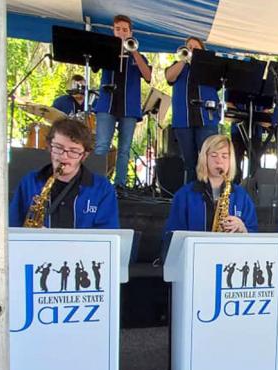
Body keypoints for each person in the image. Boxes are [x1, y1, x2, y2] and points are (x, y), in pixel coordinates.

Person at [9, 118, 119, 228]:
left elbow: (107, 235)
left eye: (73, 151)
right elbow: (12, 227)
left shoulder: (102, 188)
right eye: (58, 147)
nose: (64, 156)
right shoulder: (29, 182)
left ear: (84, 155)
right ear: (49, 147)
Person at [93, 14, 152, 187]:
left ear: (131, 32)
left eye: (125, 30)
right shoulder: (105, 50)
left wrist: (133, 51)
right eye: (118, 29)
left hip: (129, 106)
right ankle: (99, 184)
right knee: (102, 145)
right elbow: (94, 67)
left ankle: (120, 185)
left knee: (124, 150)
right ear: (113, 31)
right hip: (107, 104)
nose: (121, 33)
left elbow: (148, 76)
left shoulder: (138, 55)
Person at [164, 135, 258, 235]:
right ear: (205, 158)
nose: (219, 160)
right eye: (214, 155)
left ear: (231, 161)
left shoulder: (241, 196)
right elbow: (171, 235)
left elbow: (254, 233)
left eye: (225, 156)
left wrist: (243, 229)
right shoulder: (184, 195)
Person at [165, 36, 220, 184]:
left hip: (206, 119)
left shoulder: (210, 67)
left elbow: (219, 82)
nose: (191, 50)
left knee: (208, 161)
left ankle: (208, 195)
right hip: (184, 121)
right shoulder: (179, 66)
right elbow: (169, 77)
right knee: (190, 164)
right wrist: (184, 60)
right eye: (188, 47)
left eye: (195, 48)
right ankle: (190, 197)